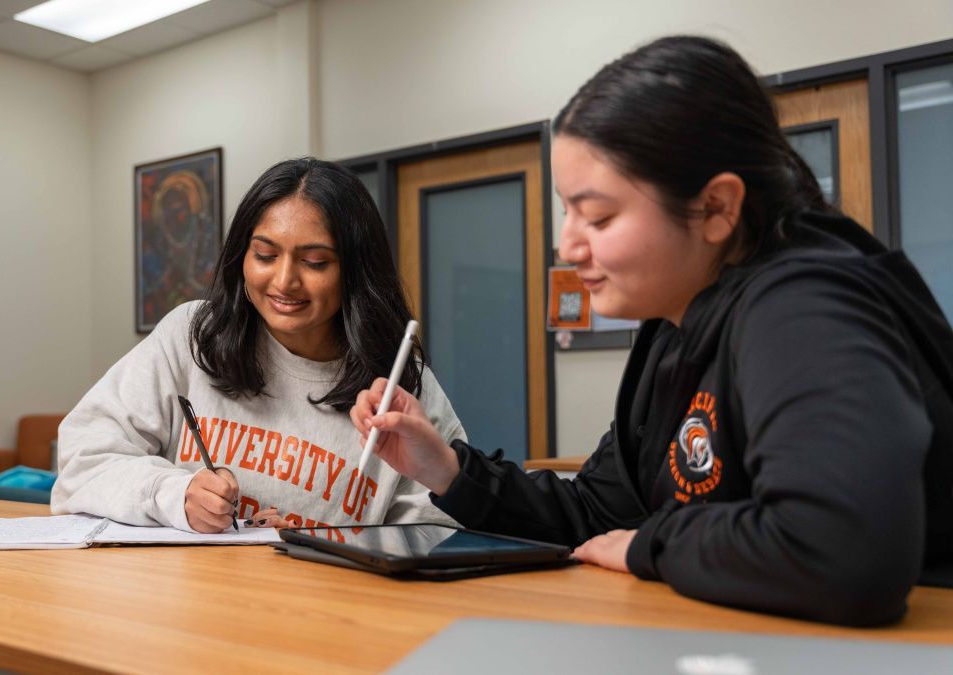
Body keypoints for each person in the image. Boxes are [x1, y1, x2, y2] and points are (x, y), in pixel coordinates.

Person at [350, 36, 953, 626]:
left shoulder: (805, 307)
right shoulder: (674, 327)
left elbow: (842, 552)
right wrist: (449, 472)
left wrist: (650, 544)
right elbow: (600, 510)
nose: (566, 244)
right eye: (568, 211)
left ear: (716, 208)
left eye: (599, 215)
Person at [53, 157, 466, 536]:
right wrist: (175, 495)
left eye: (316, 262)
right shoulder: (194, 336)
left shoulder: (403, 387)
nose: (284, 281)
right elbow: (82, 461)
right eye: (265, 255)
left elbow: (442, 533)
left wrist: (316, 546)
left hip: (332, 611)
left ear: (356, 271)